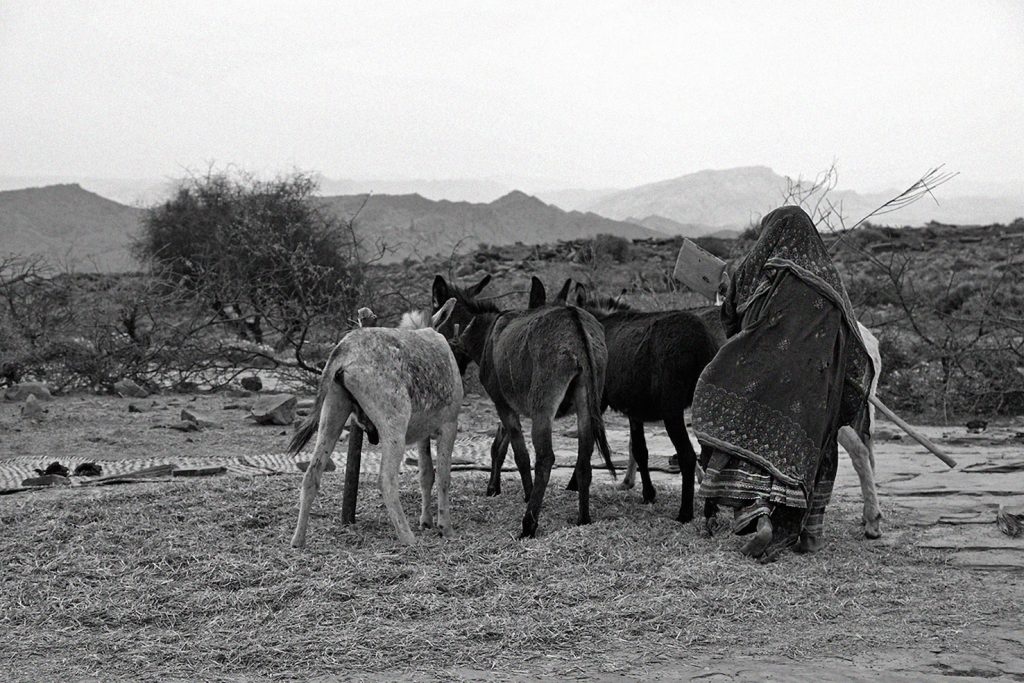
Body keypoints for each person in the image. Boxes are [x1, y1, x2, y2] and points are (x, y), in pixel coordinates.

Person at [691, 206, 873, 562]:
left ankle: (757, 516)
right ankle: (811, 533)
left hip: (772, 379)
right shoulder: (831, 282)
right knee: (817, 449)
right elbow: (852, 346)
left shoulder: (768, 268)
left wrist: (727, 290)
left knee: (736, 421)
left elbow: (735, 310)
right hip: (817, 394)